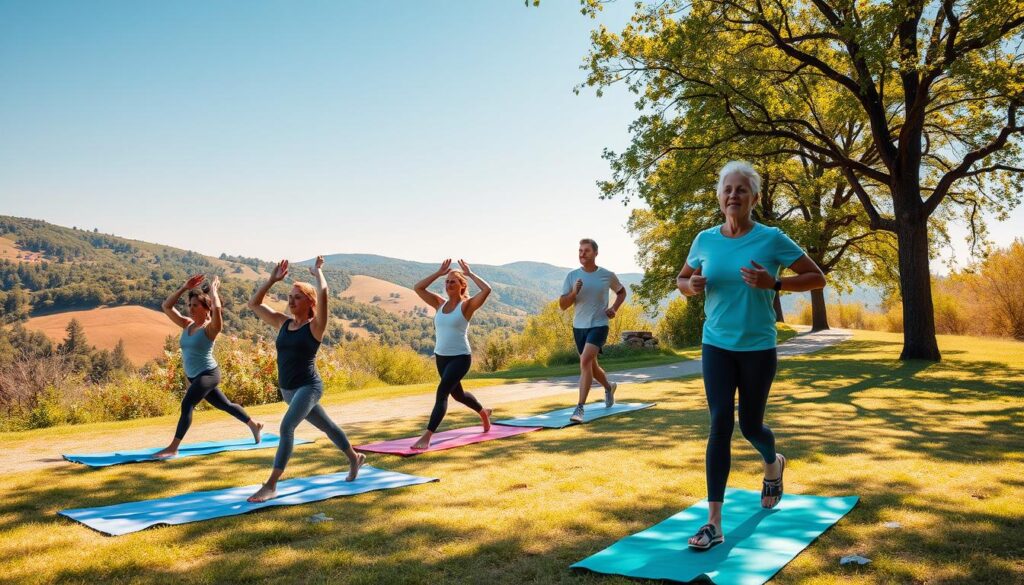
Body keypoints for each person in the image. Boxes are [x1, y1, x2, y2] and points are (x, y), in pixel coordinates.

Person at [676, 161, 826, 550]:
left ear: (754, 198)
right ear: (719, 197)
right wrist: (690, 285)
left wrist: (775, 282)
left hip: (758, 348)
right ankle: (713, 523)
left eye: (742, 189)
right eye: (728, 189)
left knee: (751, 426)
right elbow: (681, 280)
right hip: (716, 345)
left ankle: (772, 463)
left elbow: (817, 277)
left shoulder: (772, 238)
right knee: (720, 422)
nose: (733, 195)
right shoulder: (704, 239)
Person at [245, 256, 364, 503]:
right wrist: (271, 280)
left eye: (297, 297)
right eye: (289, 296)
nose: (291, 300)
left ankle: (271, 484)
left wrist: (318, 271)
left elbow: (324, 291)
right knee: (327, 426)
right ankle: (354, 458)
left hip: (309, 387)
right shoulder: (282, 323)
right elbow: (253, 304)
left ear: (310, 302)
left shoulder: (315, 326)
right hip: (288, 391)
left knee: (286, 427)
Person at [154, 274, 263, 459]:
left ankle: (173, 447)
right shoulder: (187, 325)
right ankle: (254, 425)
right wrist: (184, 288)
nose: (190, 308)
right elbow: (166, 306)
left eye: (195, 305)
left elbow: (218, 310)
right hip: (194, 376)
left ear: (206, 309)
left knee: (188, 403)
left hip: (209, 374)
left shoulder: (210, 329)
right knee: (225, 405)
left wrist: (213, 290)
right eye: (189, 305)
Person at [410, 259, 493, 450]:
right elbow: (418, 288)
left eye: (453, 282)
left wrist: (470, 273)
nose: (448, 285)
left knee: (442, 393)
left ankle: (427, 436)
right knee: (459, 395)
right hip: (441, 357)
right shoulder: (439, 303)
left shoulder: (466, 306)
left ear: (462, 285)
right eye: (446, 282)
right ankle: (483, 413)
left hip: (460, 358)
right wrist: (439, 273)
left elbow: (486, 290)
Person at [558, 238, 626, 423]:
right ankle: (609, 386)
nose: (582, 254)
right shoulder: (572, 276)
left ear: (596, 253)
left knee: (585, 360)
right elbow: (563, 305)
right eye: (580, 250)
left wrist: (614, 308)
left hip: (599, 324)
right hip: (579, 327)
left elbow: (621, 291)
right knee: (591, 366)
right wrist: (573, 293)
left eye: (586, 250)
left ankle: (579, 408)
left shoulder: (606, 275)